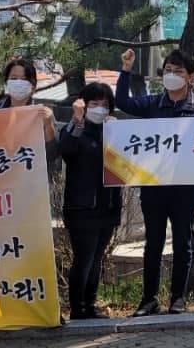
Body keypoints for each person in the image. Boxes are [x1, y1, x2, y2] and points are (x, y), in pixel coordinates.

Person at [115, 48, 194, 317]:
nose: (172, 75)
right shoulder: (151, 104)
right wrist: (126, 70)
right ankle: (149, 299)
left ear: (190, 76)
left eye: (178, 71)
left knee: (183, 243)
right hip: (153, 186)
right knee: (153, 243)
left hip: (186, 188)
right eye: (168, 70)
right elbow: (122, 101)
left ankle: (178, 298)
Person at [59, 83, 122, 320]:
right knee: (84, 258)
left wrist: (117, 133)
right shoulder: (75, 129)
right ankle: (77, 308)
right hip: (82, 207)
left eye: (105, 104)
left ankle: (90, 304)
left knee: (97, 258)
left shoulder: (110, 131)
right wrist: (77, 121)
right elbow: (66, 150)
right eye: (94, 103)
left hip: (108, 206)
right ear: (83, 105)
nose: (100, 108)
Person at [0, 58, 56, 141]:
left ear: (33, 86)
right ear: (7, 83)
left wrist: (48, 125)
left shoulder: (43, 113)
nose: (18, 83)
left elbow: (51, 147)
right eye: (14, 78)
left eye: (24, 79)